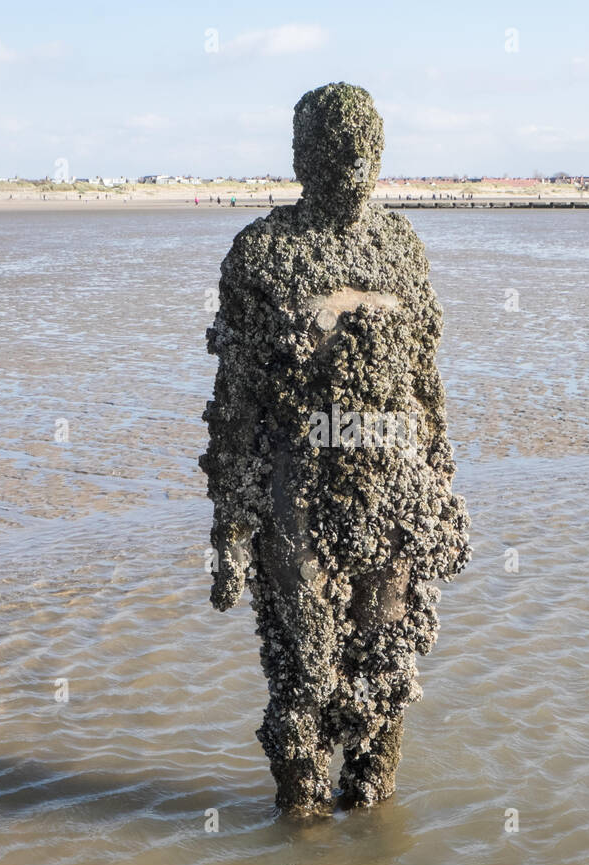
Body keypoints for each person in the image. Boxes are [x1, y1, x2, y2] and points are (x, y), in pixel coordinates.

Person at [200, 82, 470, 815]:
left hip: (396, 489)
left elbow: (425, 381)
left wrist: (442, 489)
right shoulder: (262, 253)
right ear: (302, 155)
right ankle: (302, 823)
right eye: (335, 145)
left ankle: (373, 818)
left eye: (366, 145)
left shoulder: (401, 246)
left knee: (387, 670)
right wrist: (230, 528)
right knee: (302, 670)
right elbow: (235, 401)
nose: (353, 161)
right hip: (298, 488)